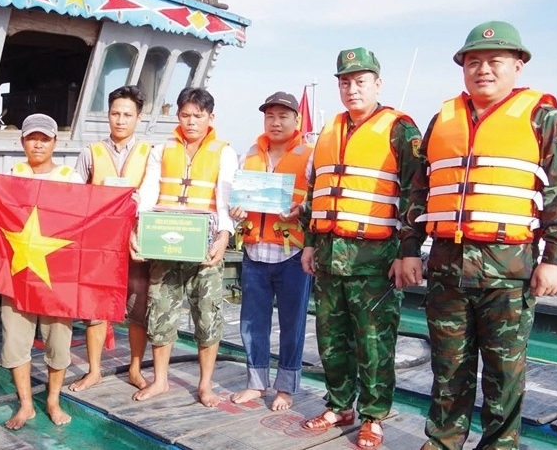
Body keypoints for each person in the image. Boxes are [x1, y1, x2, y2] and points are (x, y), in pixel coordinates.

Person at [401, 21, 557, 450]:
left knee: (503, 372)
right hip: (446, 269)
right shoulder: (442, 121)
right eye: (474, 62)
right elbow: (421, 189)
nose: (483, 70)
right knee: (448, 366)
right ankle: (442, 441)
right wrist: (410, 249)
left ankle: (500, 445)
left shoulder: (542, 118)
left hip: (508, 273)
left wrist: (555, 258)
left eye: (495, 61)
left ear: (517, 66)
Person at [299, 48, 423, 449]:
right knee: (330, 338)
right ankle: (339, 405)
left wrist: (407, 252)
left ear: (377, 84)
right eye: (345, 82)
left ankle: (373, 416)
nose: (352, 89)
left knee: (374, 342)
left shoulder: (400, 129)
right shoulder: (329, 130)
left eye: (360, 81)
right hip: (329, 258)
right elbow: (318, 191)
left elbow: (415, 194)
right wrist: (309, 243)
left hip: (375, 261)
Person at [132, 87, 236, 407]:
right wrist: (139, 229)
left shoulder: (224, 152)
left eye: (198, 116)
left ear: (210, 117)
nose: (191, 122)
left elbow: (225, 200)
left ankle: (205, 385)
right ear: (177, 116)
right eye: (185, 115)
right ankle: (160, 380)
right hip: (165, 246)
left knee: (207, 316)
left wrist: (224, 236)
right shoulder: (161, 150)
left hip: (204, 248)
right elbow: (148, 193)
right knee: (160, 312)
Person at [228, 91, 313, 411]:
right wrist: (235, 210)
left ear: (296, 120)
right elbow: (235, 196)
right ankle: (256, 383)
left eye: (283, 116)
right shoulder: (249, 153)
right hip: (254, 252)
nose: (276, 122)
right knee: (252, 321)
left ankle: (286, 388)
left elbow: (316, 201)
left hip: (292, 254)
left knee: (293, 323)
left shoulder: (309, 155)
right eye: (270, 116)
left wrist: (301, 209)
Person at [1, 113, 85, 429]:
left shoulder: (70, 178)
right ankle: (25, 404)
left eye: (44, 138)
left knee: (58, 343)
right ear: (22, 141)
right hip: (19, 274)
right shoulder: (11, 177)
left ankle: (53, 400)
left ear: (54, 142)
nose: (38, 143)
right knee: (15, 341)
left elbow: (86, 222)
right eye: (32, 137)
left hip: (56, 276)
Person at [69, 85, 152, 392]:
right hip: (99, 246)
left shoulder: (150, 154)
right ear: (107, 115)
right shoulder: (90, 153)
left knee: (138, 307)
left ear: (138, 118)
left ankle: (134, 368)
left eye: (127, 114)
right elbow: (74, 197)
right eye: (115, 113)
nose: (120, 120)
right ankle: (93, 370)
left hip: (137, 244)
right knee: (95, 307)